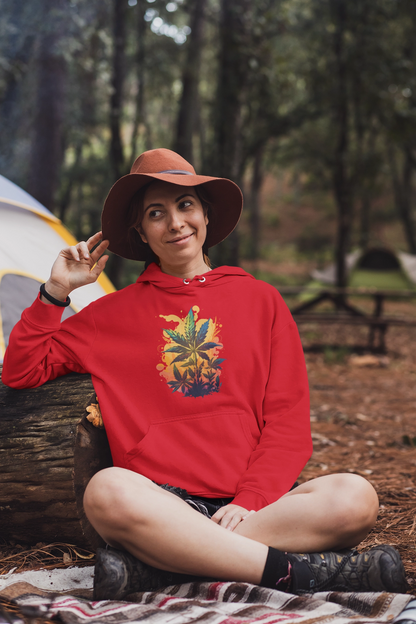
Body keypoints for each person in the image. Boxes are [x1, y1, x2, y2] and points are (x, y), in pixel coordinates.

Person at [2, 148, 408, 599]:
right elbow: (22, 369)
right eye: (156, 213)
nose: (175, 223)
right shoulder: (107, 316)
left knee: (355, 496)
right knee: (106, 491)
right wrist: (56, 290)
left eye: (186, 205)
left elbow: (289, 422)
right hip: (161, 505)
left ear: (206, 216)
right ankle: (297, 573)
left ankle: (164, 567)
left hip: (258, 505)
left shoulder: (261, 301)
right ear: (140, 230)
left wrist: (250, 499)